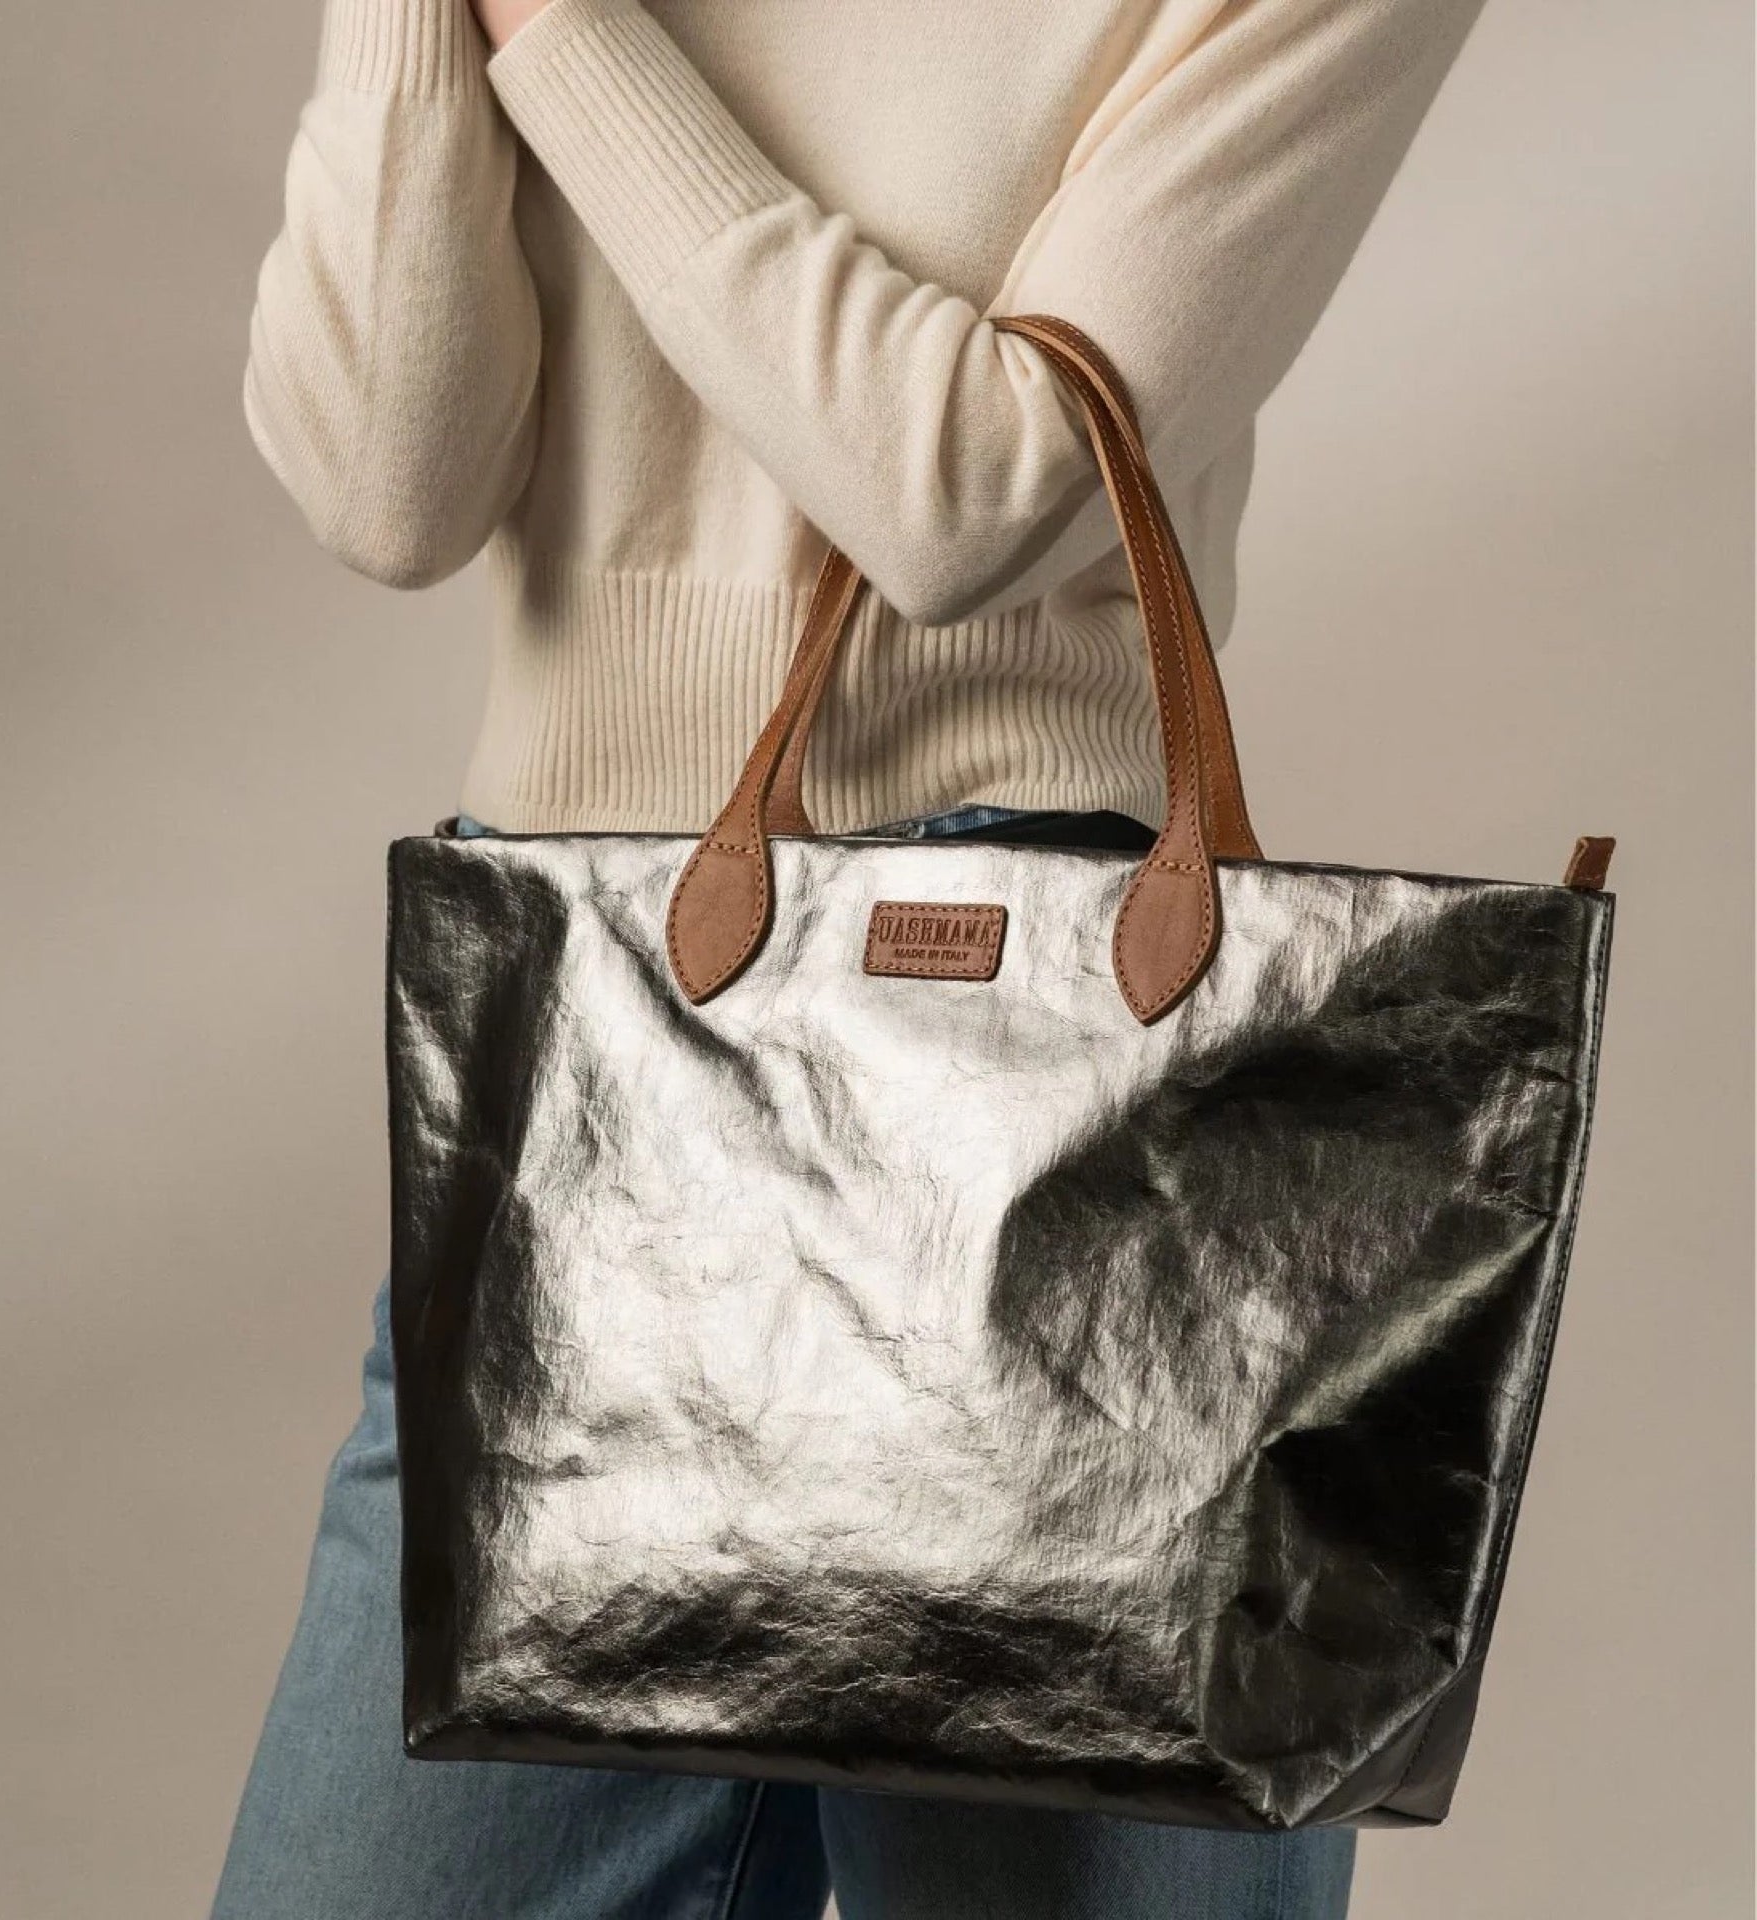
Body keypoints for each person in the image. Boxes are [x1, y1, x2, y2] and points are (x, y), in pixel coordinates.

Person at [214, 2, 1486, 1913]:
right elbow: (392, 489)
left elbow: (970, 487)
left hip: (1064, 1145)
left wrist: (563, 35)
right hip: (590, 1051)